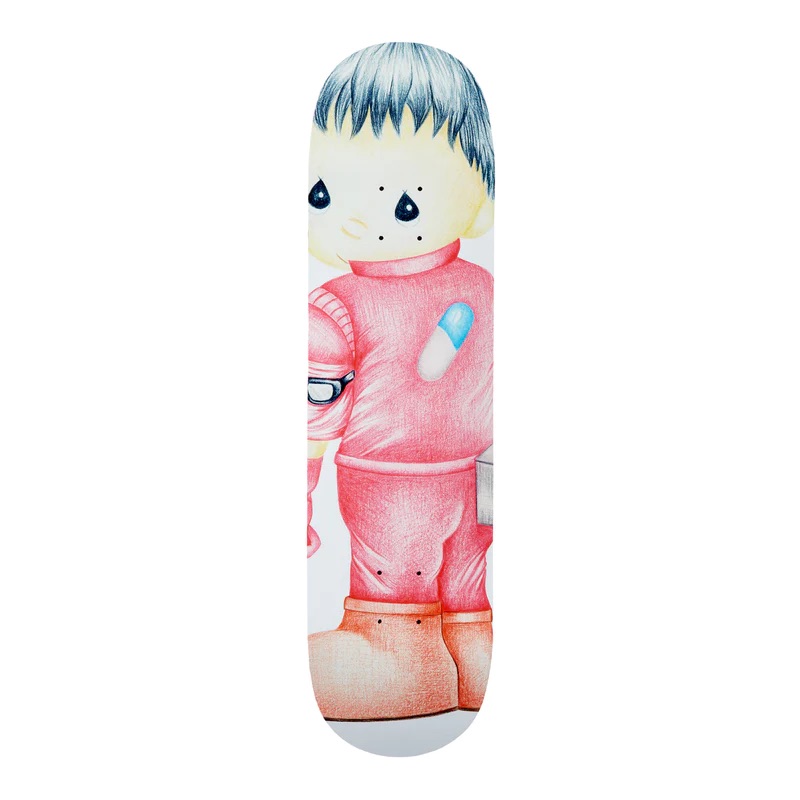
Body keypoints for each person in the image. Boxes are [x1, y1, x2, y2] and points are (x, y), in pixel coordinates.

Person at [307, 42, 494, 721]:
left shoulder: (335, 309)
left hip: (392, 487)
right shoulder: (487, 288)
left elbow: (311, 423)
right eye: (323, 195)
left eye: (405, 205)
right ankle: (469, 656)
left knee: (396, 627)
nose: (355, 220)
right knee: (468, 609)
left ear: (480, 206)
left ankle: (399, 661)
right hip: (482, 481)